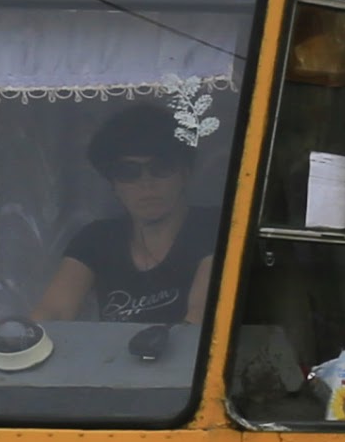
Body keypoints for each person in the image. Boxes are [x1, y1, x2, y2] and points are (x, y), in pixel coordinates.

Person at [39, 111, 216, 326]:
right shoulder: (97, 239)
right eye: (128, 172)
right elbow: (53, 314)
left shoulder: (216, 226)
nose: (146, 183)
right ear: (113, 184)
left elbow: (201, 314)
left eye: (161, 167)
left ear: (185, 173)